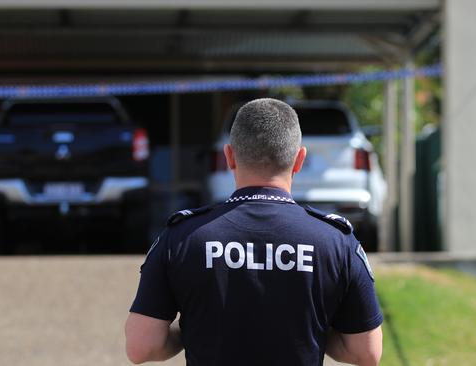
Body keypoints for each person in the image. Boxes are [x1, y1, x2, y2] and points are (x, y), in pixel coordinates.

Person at [125, 98, 383, 366]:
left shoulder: (182, 237)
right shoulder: (336, 241)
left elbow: (142, 348)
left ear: (229, 157)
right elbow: (366, 352)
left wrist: (187, 330)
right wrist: (313, 327)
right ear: (299, 160)